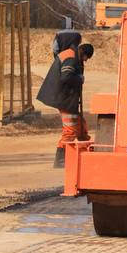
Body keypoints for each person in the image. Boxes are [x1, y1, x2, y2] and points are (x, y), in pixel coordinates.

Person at [37, 31, 87, 167]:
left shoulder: (66, 54)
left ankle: (68, 158)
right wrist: (80, 79)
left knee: (79, 127)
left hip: (66, 98)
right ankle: (60, 161)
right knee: (70, 130)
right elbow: (67, 77)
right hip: (65, 99)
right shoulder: (70, 56)